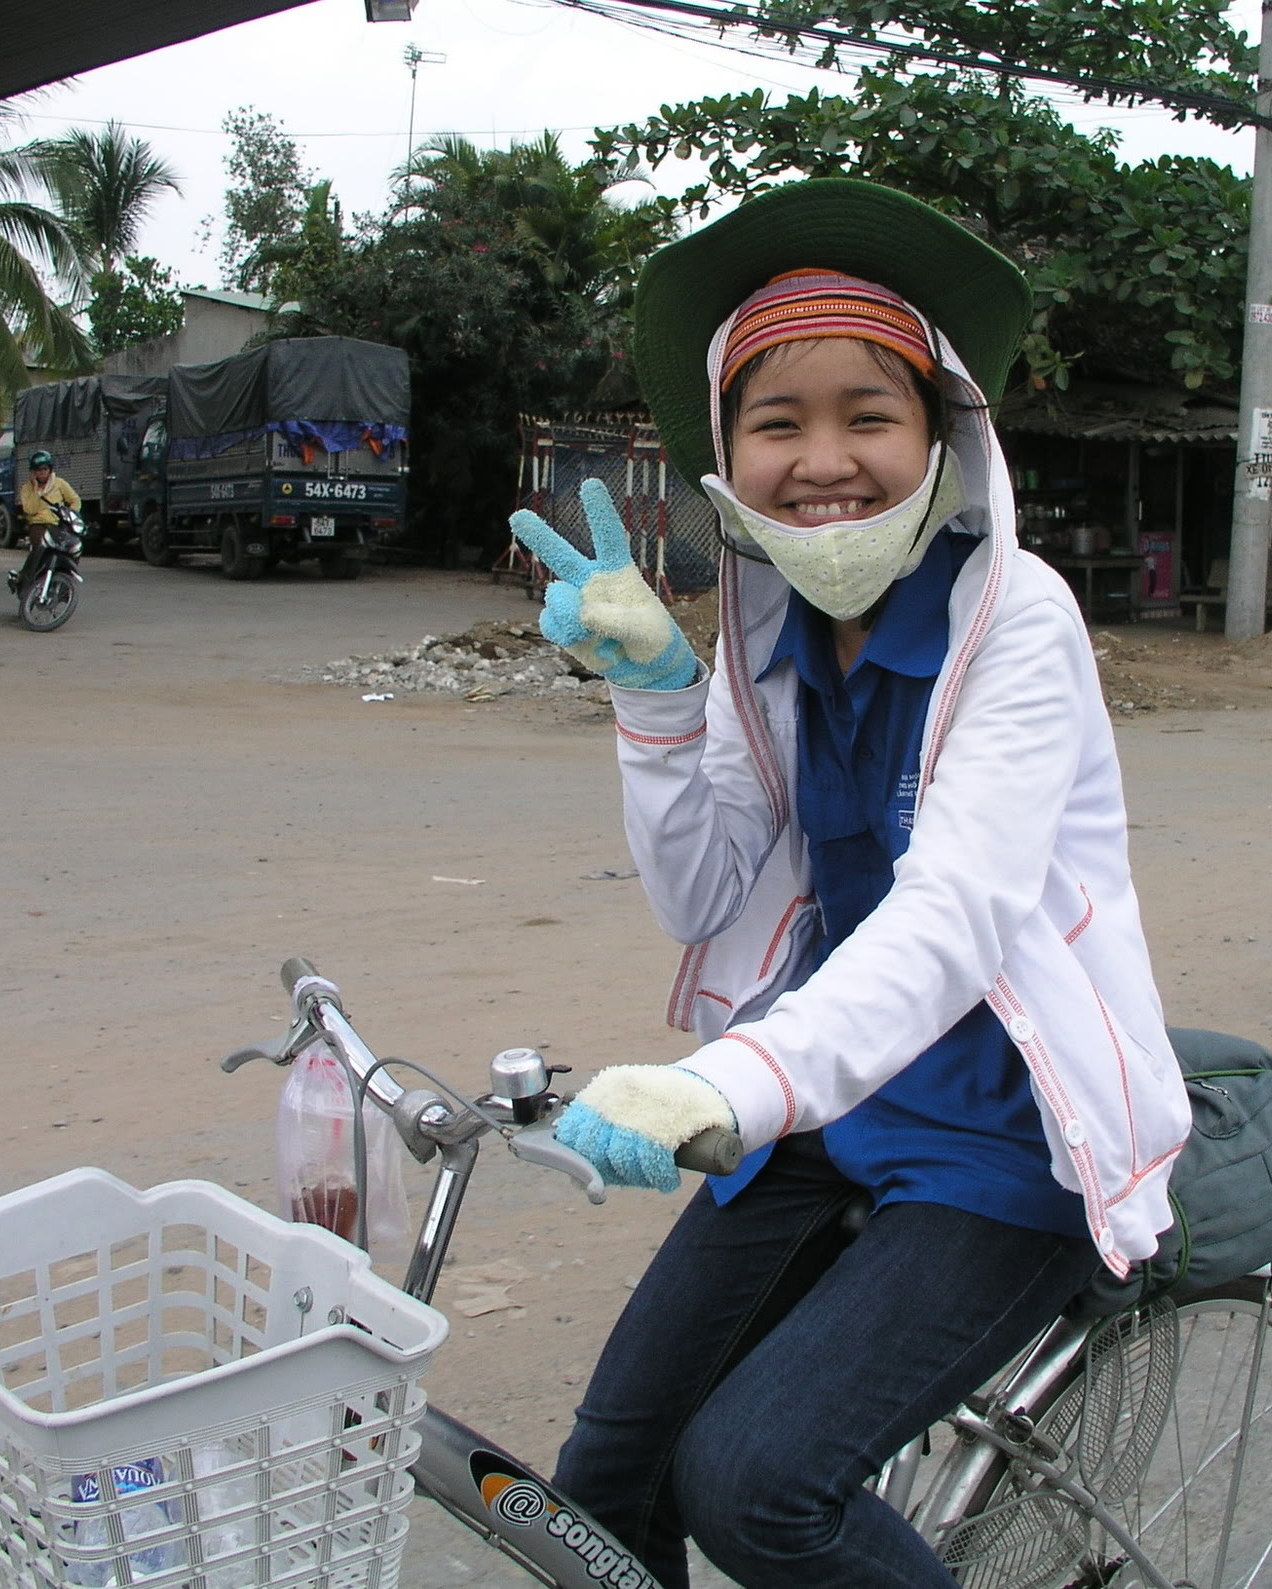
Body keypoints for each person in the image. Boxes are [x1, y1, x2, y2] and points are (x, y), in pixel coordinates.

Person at [506, 179, 1190, 1589]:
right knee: (606, 1479)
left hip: (1002, 1138)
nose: (823, 458)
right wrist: (649, 696)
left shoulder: (1018, 624)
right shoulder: (774, 636)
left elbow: (952, 917)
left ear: (942, 437)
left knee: (755, 1489)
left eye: (867, 416)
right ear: (728, 454)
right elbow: (703, 896)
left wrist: (734, 1082)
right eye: (776, 422)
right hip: (830, 1099)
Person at [12, 449, 80, 586]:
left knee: (75, 547)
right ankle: (25, 579)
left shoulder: (60, 484)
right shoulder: (27, 488)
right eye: (38, 470)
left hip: (58, 525)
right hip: (38, 526)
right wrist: (37, 490)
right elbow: (30, 509)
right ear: (33, 472)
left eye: (44, 469)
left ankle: (65, 584)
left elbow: (75, 500)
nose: (42, 473)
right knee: (41, 545)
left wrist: (70, 514)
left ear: (50, 469)